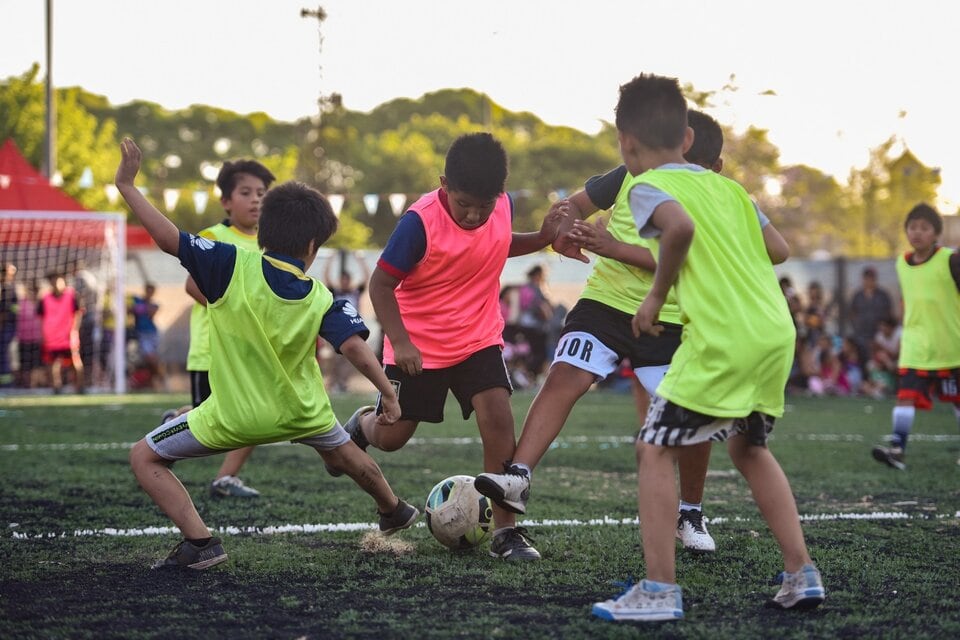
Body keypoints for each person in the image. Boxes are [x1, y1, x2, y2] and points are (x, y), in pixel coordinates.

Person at [476, 109, 789, 556]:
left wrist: (611, 246)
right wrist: (564, 226)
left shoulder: (718, 196)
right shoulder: (633, 176)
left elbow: (711, 254)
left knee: (691, 421)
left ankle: (690, 511)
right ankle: (519, 475)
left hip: (672, 316)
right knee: (566, 374)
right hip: (606, 302)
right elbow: (576, 204)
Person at [115, 138, 418, 570]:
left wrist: (128, 186)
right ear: (312, 246)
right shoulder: (321, 296)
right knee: (342, 451)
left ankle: (200, 544)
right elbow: (354, 348)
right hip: (302, 412)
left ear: (264, 230)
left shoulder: (229, 264)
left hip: (233, 418)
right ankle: (392, 507)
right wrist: (387, 393)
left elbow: (167, 238)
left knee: (143, 456)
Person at [588, 74, 823, 621]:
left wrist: (655, 297)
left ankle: (658, 591)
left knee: (653, 448)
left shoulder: (647, 185)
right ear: (689, 138)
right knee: (749, 448)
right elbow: (779, 248)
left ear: (626, 142)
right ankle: (801, 573)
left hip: (719, 338)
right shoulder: (733, 189)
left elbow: (679, 229)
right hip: (771, 332)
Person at [337, 132, 565, 561]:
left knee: (497, 416)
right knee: (392, 437)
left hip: (478, 336)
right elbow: (381, 284)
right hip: (418, 346)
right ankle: (360, 427)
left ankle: (506, 533)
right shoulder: (417, 224)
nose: (476, 215)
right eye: (465, 204)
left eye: (486, 205)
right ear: (444, 184)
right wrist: (400, 341)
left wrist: (543, 237)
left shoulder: (500, 206)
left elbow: (499, 243)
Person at [176, 158, 276, 498]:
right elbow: (192, 285)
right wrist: (232, 314)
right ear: (226, 201)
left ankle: (225, 479)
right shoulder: (215, 237)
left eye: (262, 193)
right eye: (246, 192)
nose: (256, 200)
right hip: (213, 350)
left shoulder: (270, 243)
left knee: (258, 413)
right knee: (212, 420)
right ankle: (173, 421)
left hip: (251, 351)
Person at [871, 203, 960, 470]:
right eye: (912, 227)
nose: (917, 233)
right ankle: (897, 450)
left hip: (951, 345)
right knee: (904, 396)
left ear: (936, 234)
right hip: (915, 346)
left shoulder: (952, 260)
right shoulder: (902, 263)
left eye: (924, 227)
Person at [322, 250, 372, 392]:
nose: (344, 282)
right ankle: (334, 382)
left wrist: (359, 260)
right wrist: (330, 259)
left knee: (348, 359)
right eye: (342, 279)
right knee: (334, 358)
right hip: (336, 329)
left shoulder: (355, 292)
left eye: (346, 279)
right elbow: (326, 277)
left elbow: (366, 278)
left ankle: (343, 383)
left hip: (351, 328)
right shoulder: (336, 292)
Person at [37, 271, 84, 394]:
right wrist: (43, 334)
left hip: (68, 335)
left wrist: (74, 329)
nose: (56, 284)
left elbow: (78, 313)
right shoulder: (45, 298)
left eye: (58, 281)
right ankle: (56, 387)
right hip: (51, 337)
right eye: (53, 281)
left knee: (75, 361)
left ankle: (80, 387)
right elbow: (40, 317)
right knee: (53, 363)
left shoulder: (71, 295)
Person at [849, 266, 894, 355]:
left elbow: (889, 313)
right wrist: (856, 326)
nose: (869, 281)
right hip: (860, 335)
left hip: (878, 336)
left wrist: (884, 329)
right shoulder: (857, 295)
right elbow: (852, 313)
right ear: (863, 279)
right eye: (867, 278)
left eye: (872, 278)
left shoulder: (883, 295)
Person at [129, 283, 162, 390]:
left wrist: (142, 308)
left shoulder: (154, 305)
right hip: (141, 333)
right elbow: (130, 309)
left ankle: (158, 379)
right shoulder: (137, 300)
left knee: (152, 358)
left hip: (152, 333)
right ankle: (155, 380)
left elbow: (151, 312)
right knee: (148, 358)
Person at [15, 280, 42, 388]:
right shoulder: (21, 303)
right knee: (24, 364)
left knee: (36, 364)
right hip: (23, 339)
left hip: (37, 338)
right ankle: (26, 385)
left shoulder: (41, 303)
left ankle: (34, 384)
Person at [0, 263, 18, 387]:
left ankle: (6, 383)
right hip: (6, 326)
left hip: (7, 326)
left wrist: (3, 320)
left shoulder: (10, 289)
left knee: (4, 353)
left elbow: (13, 309)